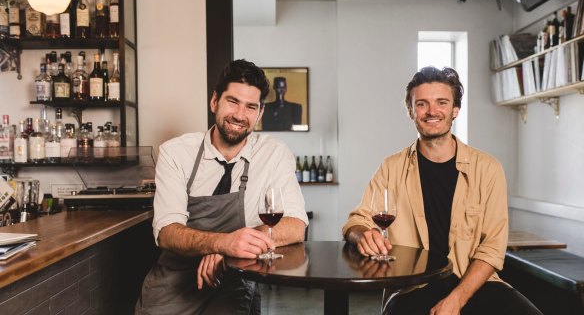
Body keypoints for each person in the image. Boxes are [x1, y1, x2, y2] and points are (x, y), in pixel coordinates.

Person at [342, 67, 542, 315]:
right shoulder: (391, 167)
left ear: (455, 110)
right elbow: (357, 220)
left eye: (441, 102)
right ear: (411, 111)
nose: (432, 111)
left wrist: (456, 300)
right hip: (411, 287)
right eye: (422, 104)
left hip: (473, 284)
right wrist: (361, 234)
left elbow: (492, 248)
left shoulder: (488, 168)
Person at [135, 59, 309, 315]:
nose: (240, 115)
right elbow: (167, 232)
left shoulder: (274, 154)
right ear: (214, 101)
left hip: (235, 278)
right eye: (233, 101)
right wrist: (223, 243)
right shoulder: (175, 153)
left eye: (251, 107)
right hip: (174, 282)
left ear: (260, 114)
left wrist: (234, 249)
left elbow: (295, 226)